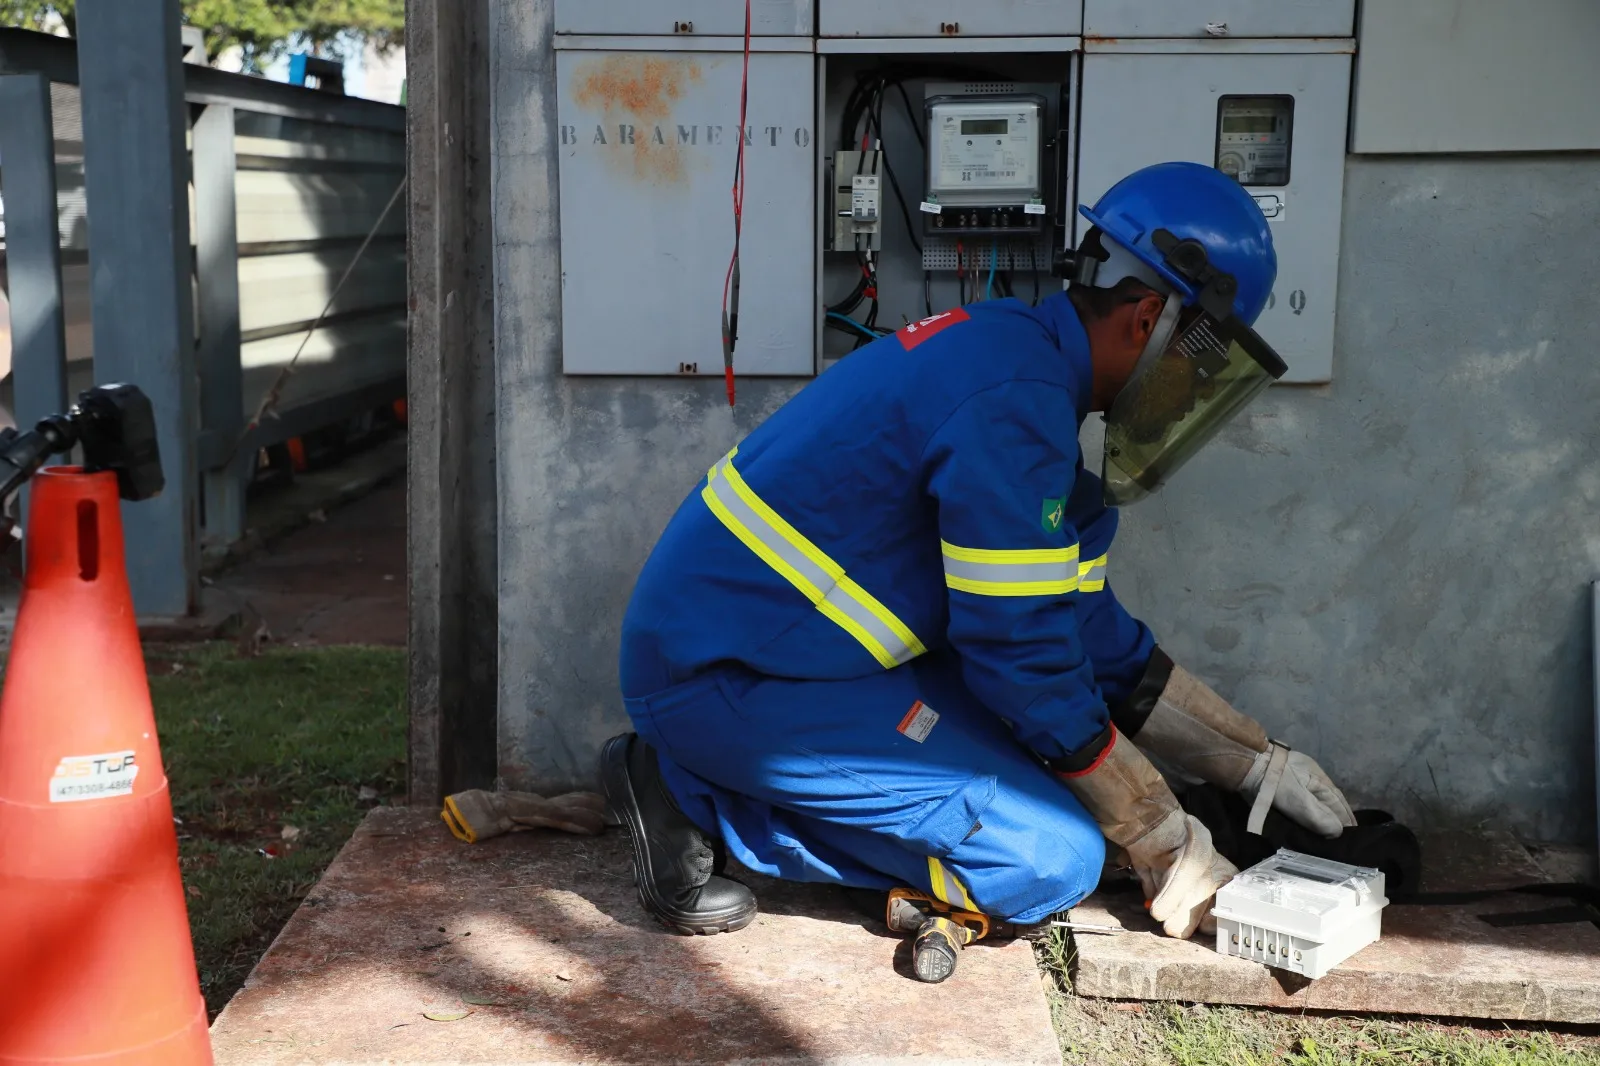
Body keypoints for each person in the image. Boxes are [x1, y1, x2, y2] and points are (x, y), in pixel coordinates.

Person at [602, 161, 1356, 944]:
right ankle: (693, 796)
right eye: (1201, 370)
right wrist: (1157, 832)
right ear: (1147, 320)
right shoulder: (1012, 407)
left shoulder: (1019, 368)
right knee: (1055, 857)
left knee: (1052, 779)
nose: (1197, 395)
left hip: (793, 661)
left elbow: (1080, 629)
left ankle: (705, 778)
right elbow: (1021, 653)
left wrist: (1249, 759)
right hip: (724, 679)